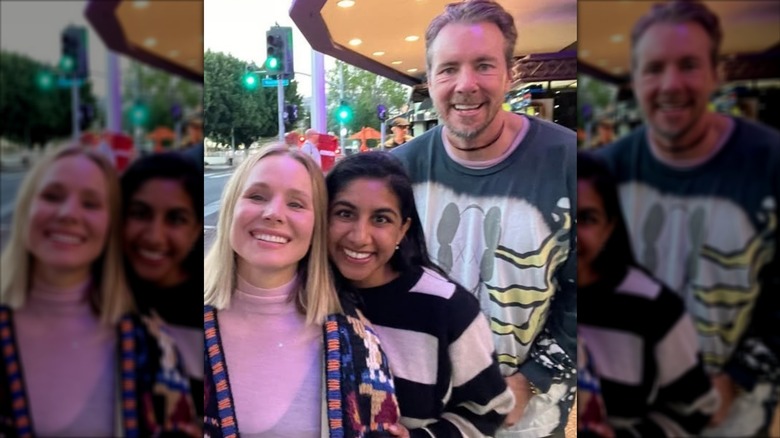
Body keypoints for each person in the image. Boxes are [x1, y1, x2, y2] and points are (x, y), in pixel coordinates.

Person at [391, 1, 577, 436]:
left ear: (511, 73)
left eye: (484, 66)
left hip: (528, 414)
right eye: (449, 68)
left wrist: (531, 379)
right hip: (422, 411)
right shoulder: (394, 172)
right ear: (429, 78)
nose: (465, 84)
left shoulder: (570, 161)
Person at [595, 1, 780, 436]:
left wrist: (739, 377)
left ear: (717, 72)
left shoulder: (770, 163)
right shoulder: (604, 171)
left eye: (689, 65)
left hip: (732, 411)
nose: (670, 84)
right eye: (654, 68)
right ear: (636, 79)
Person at [0, 144, 199, 437]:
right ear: (26, 208)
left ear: (110, 225)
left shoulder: (153, 346)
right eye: (52, 196)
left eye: (91, 203)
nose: (69, 213)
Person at [203, 143, 400, 437]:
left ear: (316, 226)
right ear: (231, 207)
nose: (273, 213)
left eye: (296, 204)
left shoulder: (358, 342)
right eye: (257, 196)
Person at [326, 152, 514, 437]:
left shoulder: (449, 309)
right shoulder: (303, 294)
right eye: (344, 213)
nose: (359, 236)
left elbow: (489, 411)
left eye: (381, 219)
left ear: (403, 229)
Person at [577, 151, 719, 437]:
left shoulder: (655, 309)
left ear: (610, 227)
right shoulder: (525, 299)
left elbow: (695, 410)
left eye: (586, 218)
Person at [121, 152, 204, 416]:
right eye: (140, 214)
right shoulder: (88, 296)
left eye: (176, 219)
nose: (155, 237)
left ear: (196, 230)